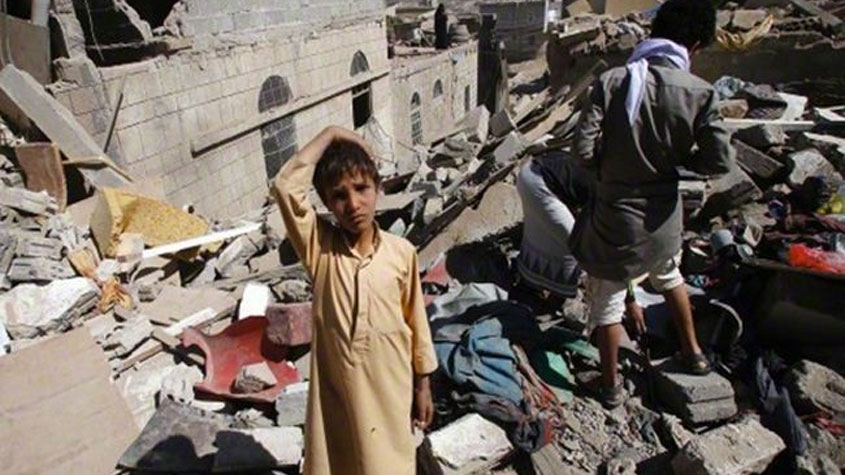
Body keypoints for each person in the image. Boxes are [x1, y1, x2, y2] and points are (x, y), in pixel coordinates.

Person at [570, 0, 735, 408]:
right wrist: (678, 162)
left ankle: (610, 386)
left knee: (608, 301)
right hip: (663, 219)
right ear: (694, 45)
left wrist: (607, 168)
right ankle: (694, 354)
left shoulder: (613, 82)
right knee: (669, 276)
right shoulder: (700, 92)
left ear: (655, 31)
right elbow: (719, 161)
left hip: (616, 217)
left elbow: (582, 150)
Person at [271, 126, 438, 474]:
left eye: (361, 188)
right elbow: (286, 187)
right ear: (327, 203)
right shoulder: (320, 248)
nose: (353, 204)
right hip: (341, 393)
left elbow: (416, 324)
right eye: (339, 195)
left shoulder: (401, 252)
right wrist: (332, 134)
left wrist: (423, 386)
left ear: (378, 188)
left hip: (390, 387)